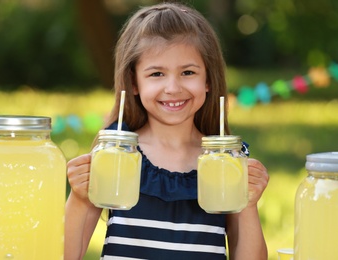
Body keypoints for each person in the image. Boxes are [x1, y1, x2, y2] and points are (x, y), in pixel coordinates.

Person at [65, 2, 269, 259]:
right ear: (133, 82)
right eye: (157, 73)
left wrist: (248, 204)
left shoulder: (227, 161)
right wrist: (80, 199)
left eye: (187, 72)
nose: (173, 87)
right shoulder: (116, 154)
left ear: (207, 80)